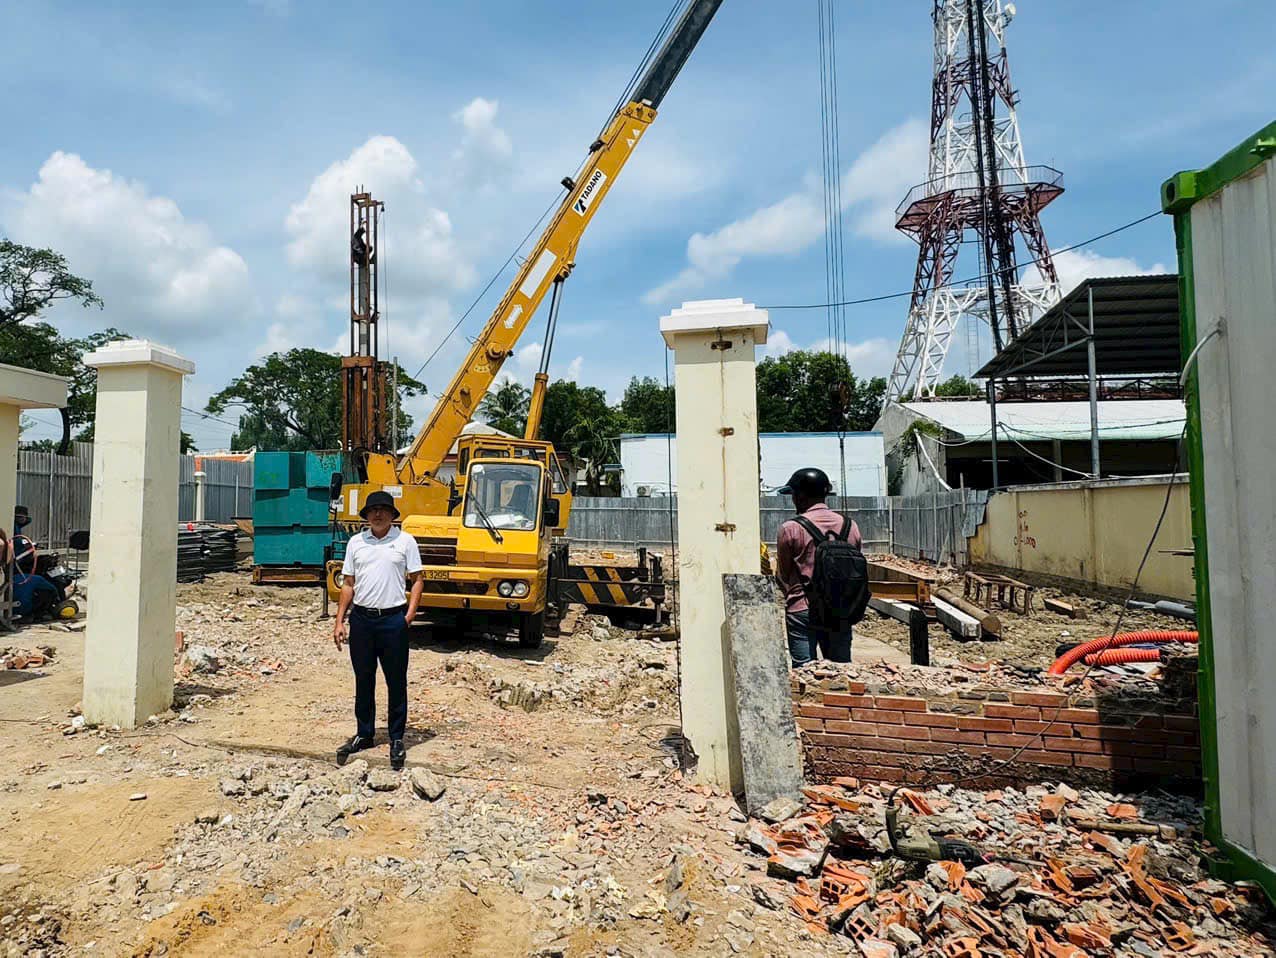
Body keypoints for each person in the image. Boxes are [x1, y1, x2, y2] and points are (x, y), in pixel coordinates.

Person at [331, 491, 424, 770]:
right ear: (366, 515)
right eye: (373, 510)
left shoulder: (405, 541)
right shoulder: (356, 542)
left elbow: (418, 579)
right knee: (364, 678)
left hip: (393, 620)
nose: (378, 514)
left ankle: (396, 738)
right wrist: (339, 620)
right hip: (362, 620)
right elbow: (348, 583)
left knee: (396, 680)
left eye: (384, 509)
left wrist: (409, 615)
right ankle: (364, 733)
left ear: (393, 515)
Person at [774, 467, 862, 667]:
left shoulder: (791, 528)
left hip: (802, 608)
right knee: (841, 670)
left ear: (800, 496)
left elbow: (784, 574)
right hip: (840, 609)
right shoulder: (851, 526)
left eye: (794, 495)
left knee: (804, 673)